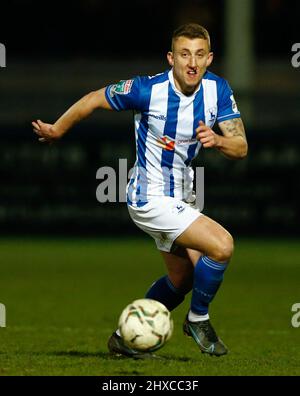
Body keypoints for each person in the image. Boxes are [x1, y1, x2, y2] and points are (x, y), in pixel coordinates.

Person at [32, 23, 247, 358]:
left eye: (200, 54)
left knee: (182, 280)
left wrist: (219, 140)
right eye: (184, 54)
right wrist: (58, 130)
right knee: (222, 246)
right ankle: (197, 318)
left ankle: (123, 338)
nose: (192, 62)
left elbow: (241, 147)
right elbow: (93, 99)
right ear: (171, 58)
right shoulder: (148, 89)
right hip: (150, 197)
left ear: (209, 59)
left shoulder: (217, 90)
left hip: (183, 196)